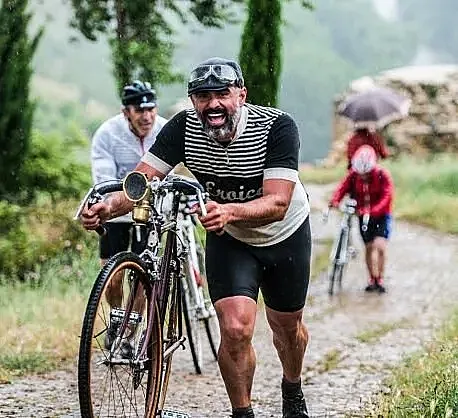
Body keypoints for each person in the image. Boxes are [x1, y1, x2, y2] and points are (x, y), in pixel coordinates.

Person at [81, 57, 312, 418]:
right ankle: (243, 413)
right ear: (193, 101)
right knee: (235, 329)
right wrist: (107, 207)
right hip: (230, 237)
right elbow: (143, 181)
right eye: (203, 96)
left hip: (284, 234)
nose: (213, 104)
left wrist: (230, 210)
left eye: (222, 94)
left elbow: (279, 202)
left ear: (242, 95)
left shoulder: (277, 126)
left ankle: (292, 386)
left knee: (287, 329)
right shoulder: (183, 128)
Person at [91, 80, 167, 353]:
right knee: (112, 277)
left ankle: (129, 332)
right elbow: (104, 179)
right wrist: (112, 205)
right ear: (126, 112)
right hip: (116, 210)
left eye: (151, 109)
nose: (146, 116)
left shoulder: (164, 130)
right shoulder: (107, 134)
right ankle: (116, 316)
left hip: (150, 211)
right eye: (139, 110)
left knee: (143, 272)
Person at [329, 145, 394, 293]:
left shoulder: (382, 175)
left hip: (380, 216)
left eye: (367, 174)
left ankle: (380, 279)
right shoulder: (353, 175)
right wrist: (335, 200)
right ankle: (372, 278)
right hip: (362, 215)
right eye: (361, 174)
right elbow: (342, 188)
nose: (363, 176)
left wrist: (372, 210)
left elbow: (387, 197)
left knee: (380, 246)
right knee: (369, 247)